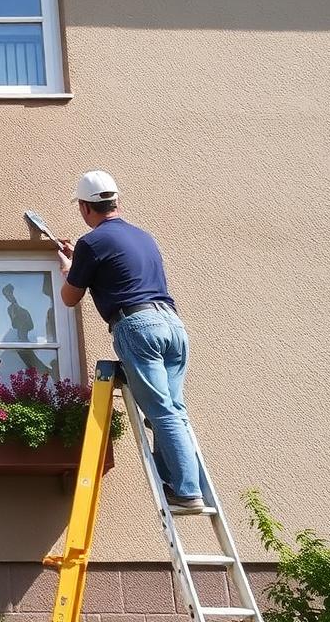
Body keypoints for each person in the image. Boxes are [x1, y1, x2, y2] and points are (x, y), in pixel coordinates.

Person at [54, 170, 205, 513]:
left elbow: (69, 297)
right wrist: (81, 262)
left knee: (162, 412)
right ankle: (177, 484)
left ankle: (187, 491)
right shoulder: (143, 237)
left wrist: (69, 269)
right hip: (172, 325)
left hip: (138, 326)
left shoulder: (91, 243)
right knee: (171, 410)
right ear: (116, 201)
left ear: (85, 207)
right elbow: (120, 267)